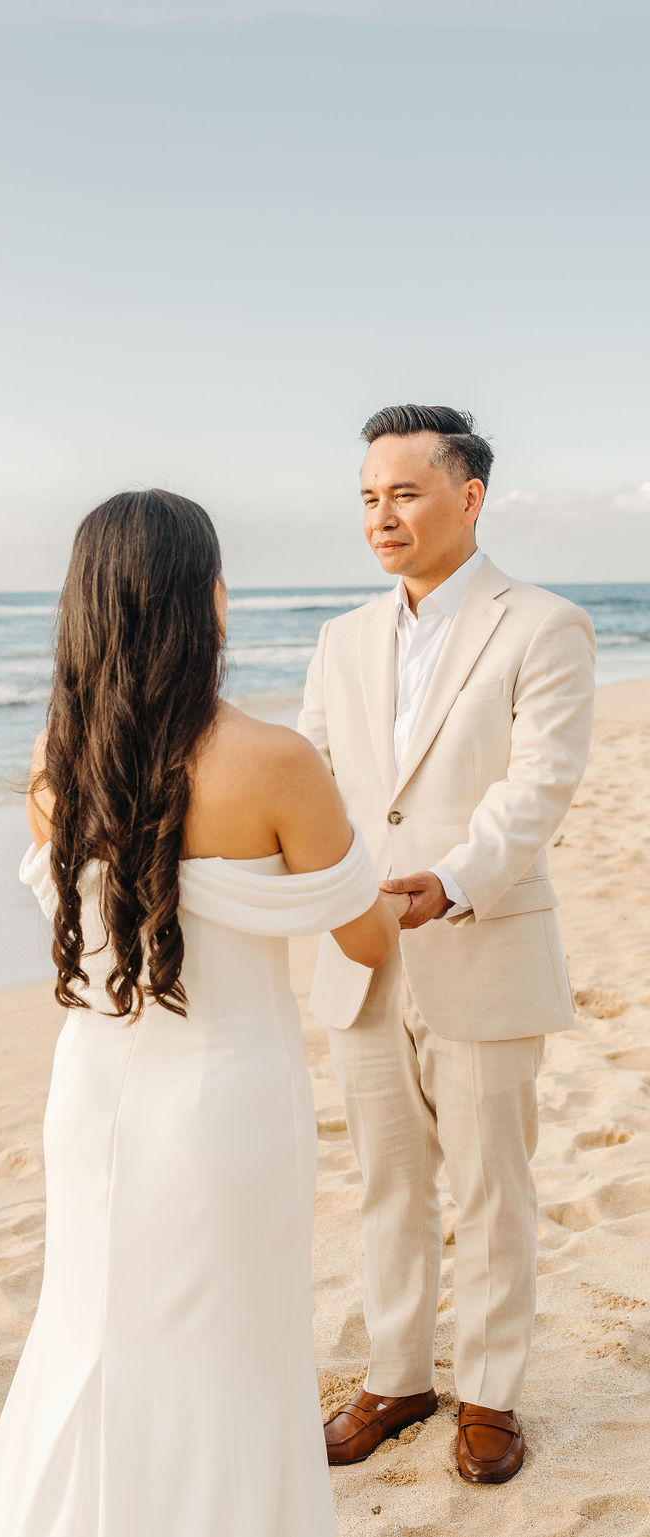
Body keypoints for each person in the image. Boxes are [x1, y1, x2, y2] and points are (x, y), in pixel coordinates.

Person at [0, 489, 405, 1537]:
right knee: (233, 1351)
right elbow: (365, 936)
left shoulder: (50, 764)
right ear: (206, 600)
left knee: (91, 1330)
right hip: (228, 1106)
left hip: (94, 1092)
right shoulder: (276, 761)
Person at [298, 405, 595, 1484]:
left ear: (466, 498)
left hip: (482, 939)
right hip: (360, 951)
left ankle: (491, 1392)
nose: (381, 514)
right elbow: (318, 785)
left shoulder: (542, 624)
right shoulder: (338, 640)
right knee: (385, 1180)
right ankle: (397, 1374)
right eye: (369, 495)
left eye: (404, 492)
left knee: (490, 1186)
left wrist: (458, 881)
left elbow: (540, 784)